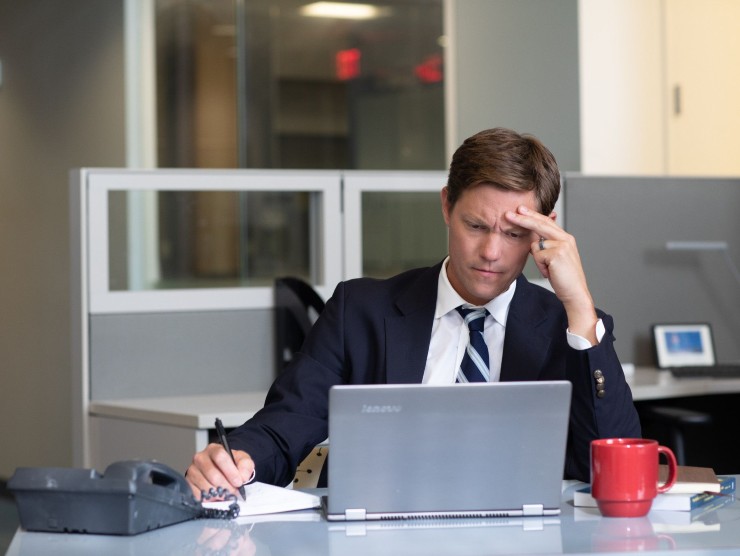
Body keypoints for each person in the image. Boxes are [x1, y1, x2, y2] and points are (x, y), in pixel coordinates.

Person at [186, 127, 641, 497]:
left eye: (514, 234)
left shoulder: (569, 328)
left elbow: (612, 462)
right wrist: (238, 459)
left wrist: (579, 305)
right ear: (446, 206)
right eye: (476, 226)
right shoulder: (359, 311)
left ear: (546, 230)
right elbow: (288, 422)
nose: (491, 252)